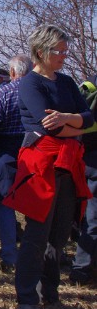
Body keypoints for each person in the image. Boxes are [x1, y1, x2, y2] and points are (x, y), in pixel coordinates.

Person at [4, 25, 94, 309]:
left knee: (59, 232)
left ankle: (49, 293)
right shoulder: (30, 84)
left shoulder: (66, 82)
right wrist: (76, 126)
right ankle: (27, 296)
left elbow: (90, 118)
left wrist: (67, 118)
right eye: (60, 51)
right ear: (41, 52)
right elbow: (48, 126)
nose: (64, 56)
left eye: (66, 50)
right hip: (41, 166)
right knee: (37, 233)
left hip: (68, 164)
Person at [0, 55, 33, 272]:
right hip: (35, 149)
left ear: (12, 72)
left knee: (5, 203)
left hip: (6, 150)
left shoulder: (5, 92)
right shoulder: (40, 91)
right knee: (35, 205)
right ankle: (33, 253)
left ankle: (10, 254)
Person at [70, 73, 97, 285]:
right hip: (93, 162)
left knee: (86, 215)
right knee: (93, 218)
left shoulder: (87, 86)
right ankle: (82, 269)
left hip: (83, 158)